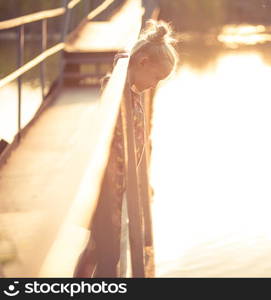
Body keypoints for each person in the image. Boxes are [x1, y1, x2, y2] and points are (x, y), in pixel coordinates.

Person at [74, 20, 178, 278]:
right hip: (109, 181)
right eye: (156, 77)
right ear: (142, 62)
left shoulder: (131, 87)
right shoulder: (116, 87)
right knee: (104, 245)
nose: (154, 85)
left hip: (121, 181)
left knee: (104, 243)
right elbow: (111, 83)